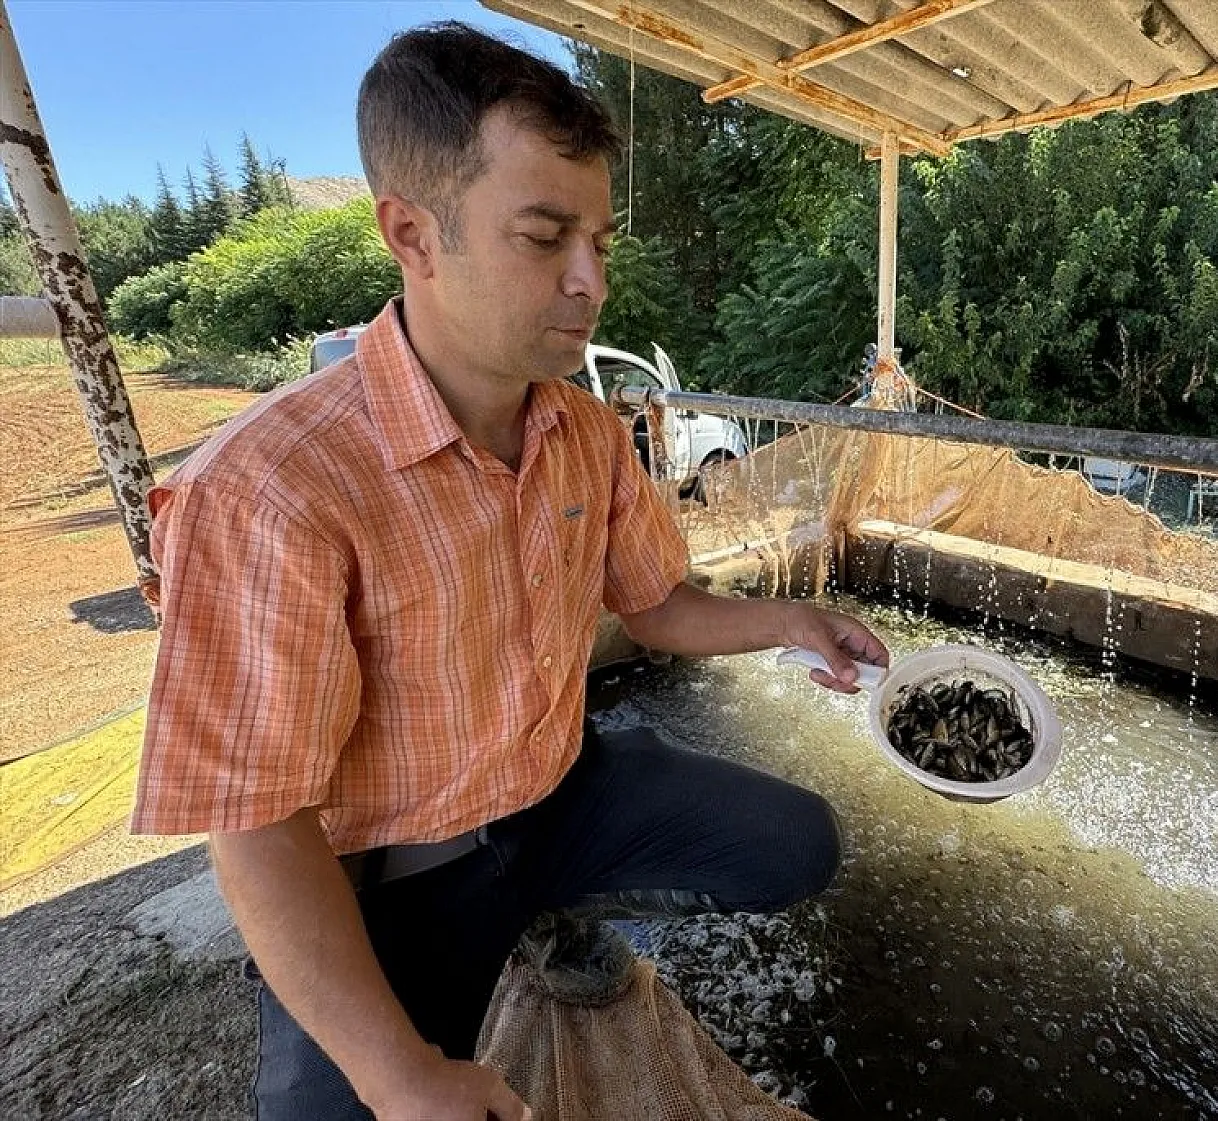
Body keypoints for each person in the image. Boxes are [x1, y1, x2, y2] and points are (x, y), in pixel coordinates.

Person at [130, 22, 887, 1121]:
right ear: (412, 233)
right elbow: (256, 819)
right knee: (345, 1106)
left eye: (599, 239)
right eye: (542, 235)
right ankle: (386, 987)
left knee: (795, 844)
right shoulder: (266, 489)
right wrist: (400, 1075)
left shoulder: (584, 429)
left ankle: (558, 909)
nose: (589, 281)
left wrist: (792, 622)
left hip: (556, 787)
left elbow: (657, 602)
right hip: (389, 866)